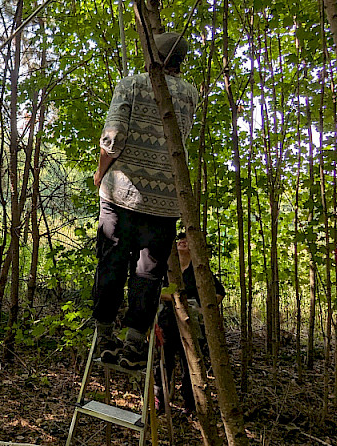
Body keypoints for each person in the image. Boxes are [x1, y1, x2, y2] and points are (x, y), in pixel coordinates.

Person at [92, 32, 199, 369]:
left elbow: (113, 138)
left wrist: (100, 173)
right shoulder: (190, 94)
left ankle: (104, 337)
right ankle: (134, 345)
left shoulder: (132, 84)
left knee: (111, 262)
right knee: (148, 272)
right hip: (165, 201)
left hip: (120, 193)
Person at [154, 232, 225, 413]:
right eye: (180, 239)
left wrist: (203, 308)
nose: (183, 242)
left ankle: (191, 405)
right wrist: (176, 299)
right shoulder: (168, 267)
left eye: (187, 240)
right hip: (167, 322)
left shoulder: (200, 270)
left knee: (191, 367)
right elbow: (155, 290)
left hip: (192, 326)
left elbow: (219, 293)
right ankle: (160, 402)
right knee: (164, 364)